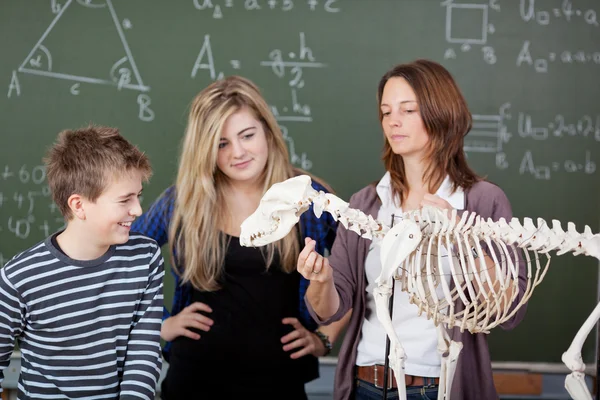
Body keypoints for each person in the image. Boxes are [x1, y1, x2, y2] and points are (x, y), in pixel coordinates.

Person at [297, 59, 528, 400]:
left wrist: (463, 237)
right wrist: (321, 280)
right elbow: (331, 307)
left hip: (441, 387)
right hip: (364, 384)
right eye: (386, 111)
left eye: (408, 109)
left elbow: (509, 309)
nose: (393, 121)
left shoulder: (483, 201)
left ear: (441, 113)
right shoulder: (365, 203)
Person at [131, 75, 347, 399]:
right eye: (222, 143)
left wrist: (325, 338)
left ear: (267, 132)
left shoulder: (308, 196)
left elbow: (363, 273)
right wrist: (160, 324)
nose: (238, 152)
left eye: (247, 135)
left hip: (280, 382)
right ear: (205, 148)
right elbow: (122, 256)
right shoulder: (183, 201)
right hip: (193, 380)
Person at [0, 125, 164, 399]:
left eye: (139, 196)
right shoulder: (19, 278)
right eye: (125, 199)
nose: (138, 210)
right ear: (78, 205)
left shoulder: (144, 258)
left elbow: (143, 354)